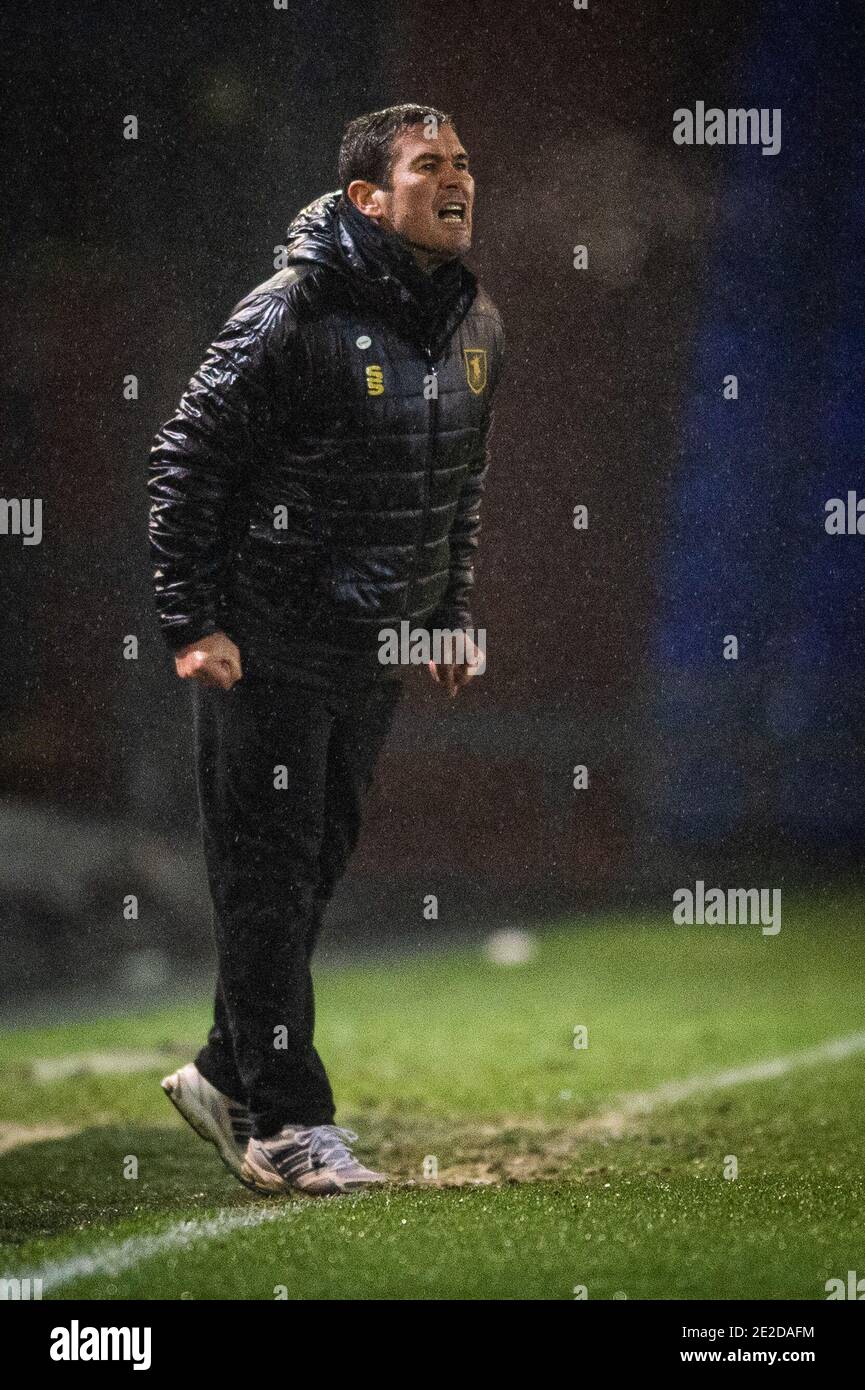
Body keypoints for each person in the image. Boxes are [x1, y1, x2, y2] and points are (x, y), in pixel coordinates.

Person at [148, 103, 505, 1196]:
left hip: (372, 646)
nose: (455, 179)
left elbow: (458, 487)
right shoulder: (293, 309)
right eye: (426, 165)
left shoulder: (476, 320)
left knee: (306, 877)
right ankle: (284, 1124)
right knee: (266, 878)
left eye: (462, 161)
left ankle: (221, 1070)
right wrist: (194, 621)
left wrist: (443, 615)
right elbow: (186, 459)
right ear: (366, 198)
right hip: (268, 639)